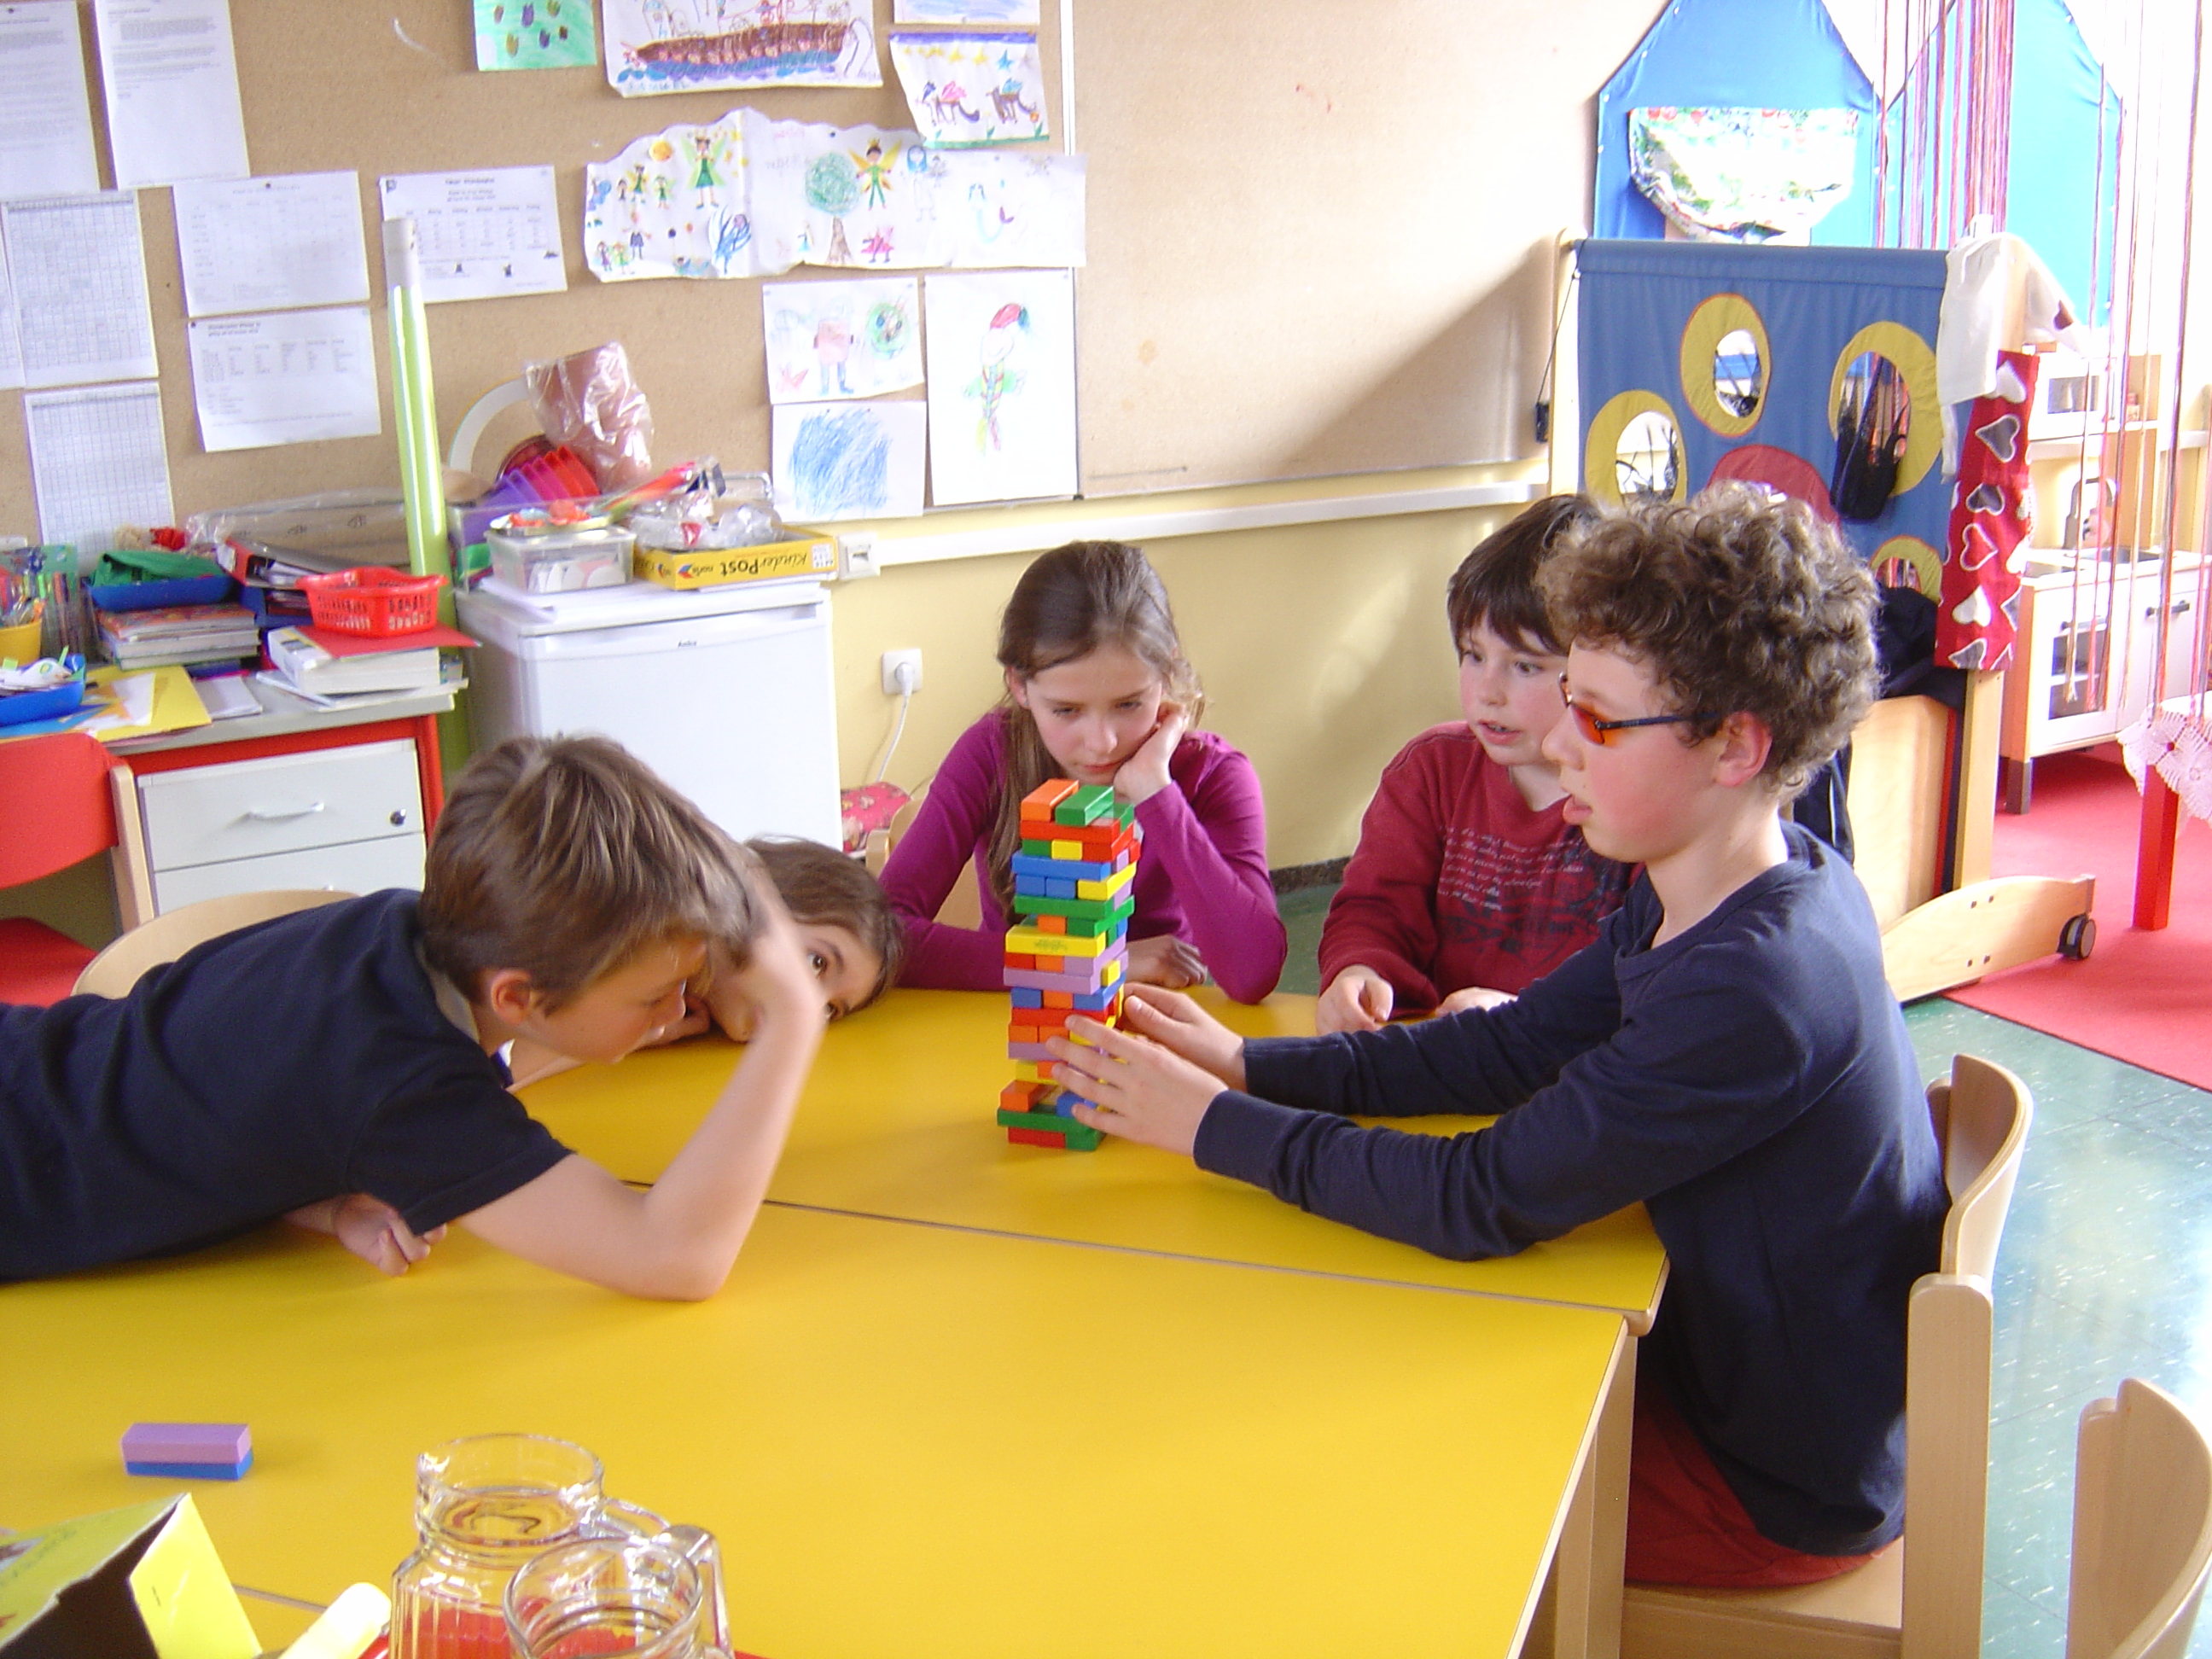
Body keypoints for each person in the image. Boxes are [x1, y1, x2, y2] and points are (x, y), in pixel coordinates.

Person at [1044, 490, 1949, 1586]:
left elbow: (1479, 1197)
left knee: (1342, 1483)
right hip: (1729, 1383)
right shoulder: (1729, 881)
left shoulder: (1757, 985)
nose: (1559, 744)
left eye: (1600, 721)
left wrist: (1213, 1126)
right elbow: (1508, 1049)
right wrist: (1249, 1063)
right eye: (1570, 703)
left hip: (1764, 1485)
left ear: (1734, 745)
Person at [0, 736, 826, 1301]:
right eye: (652, 997)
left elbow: (208, 1082)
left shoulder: (395, 929)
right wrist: (793, 1018)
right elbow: (676, 1257)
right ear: (517, 999)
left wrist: (318, 1193)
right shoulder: (409, 1080)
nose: (679, 1010)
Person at [880, 539, 1286, 1003]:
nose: (1102, 742)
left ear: (1166, 672)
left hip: (1155, 1017)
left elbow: (1253, 972)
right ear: (1019, 685)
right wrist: (1098, 965)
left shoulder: (1212, 774)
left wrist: (1156, 793)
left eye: (1129, 704)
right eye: (1067, 710)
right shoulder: (991, 753)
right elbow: (884, 935)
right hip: (1011, 1018)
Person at [1316, 494, 1634, 1034]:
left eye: (1526, 666)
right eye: (1473, 654)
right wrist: (1359, 969)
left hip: (1567, 1064)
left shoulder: (1637, 799)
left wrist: (1524, 1020)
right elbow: (1376, 908)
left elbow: (1649, 984)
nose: (1487, 691)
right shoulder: (1431, 770)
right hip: (1438, 1054)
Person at [506, 833, 902, 1084]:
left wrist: (648, 1030)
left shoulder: (680, 1005)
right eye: (817, 962)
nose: (807, 1007)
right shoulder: (636, 923)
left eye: (830, 1010)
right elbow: (506, 1069)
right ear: (761, 898)